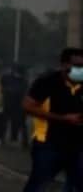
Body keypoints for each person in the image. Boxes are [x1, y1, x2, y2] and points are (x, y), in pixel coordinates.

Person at [22, 48, 83, 192]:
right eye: (77, 66)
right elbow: (27, 106)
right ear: (64, 65)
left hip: (77, 145)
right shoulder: (47, 81)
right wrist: (63, 118)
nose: (81, 70)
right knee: (38, 185)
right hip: (49, 143)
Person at [4, 63, 30, 149]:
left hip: (18, 106)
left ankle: (23, 142)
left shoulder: (23, 81)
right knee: (7, 122)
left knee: (20, 124)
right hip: (11, 105)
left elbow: (20, 92)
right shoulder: (9, 78)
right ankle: (8, 138)